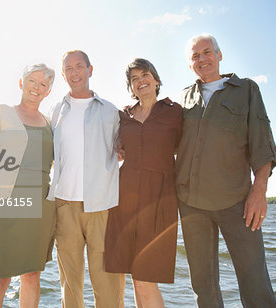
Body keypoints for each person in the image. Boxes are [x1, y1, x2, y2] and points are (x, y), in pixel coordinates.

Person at [176, 33, 276, 308]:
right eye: (195, 56)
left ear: (219, 55)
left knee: (255, 282)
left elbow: (262, 143)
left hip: (237, 201)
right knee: (203, 287)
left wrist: (260, 191)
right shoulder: (183, 98)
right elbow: (166, 141)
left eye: (207, 52)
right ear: (190, 64)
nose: (202, 59)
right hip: (191, 204)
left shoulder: (246, 90)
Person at [0, 63, 56, 308]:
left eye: (43, 84)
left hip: (40, 206)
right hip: (4, 205)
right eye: (32, 81)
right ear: (21, 83)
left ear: (48, 92)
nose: (37, 87)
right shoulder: (2, 112)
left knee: (31, 275)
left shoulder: (50, 122)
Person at [47, 50, 125, 308]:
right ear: (63, 74)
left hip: (101, 206)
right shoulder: (56, 111)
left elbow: (124, 148)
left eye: (79, 66)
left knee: (108, 281)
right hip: (64, 204)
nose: (74, 72)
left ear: (90, 70)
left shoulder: (111, 111)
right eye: (68, 69)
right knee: (70, 282)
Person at [104, 58, 183, 308]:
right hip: (124, 200)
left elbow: (190, 150)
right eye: (134, 79)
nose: (141, 81)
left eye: (145, 75)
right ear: (131, 86)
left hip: (158, 200)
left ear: (156, 80)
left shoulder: (175, 113)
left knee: (147, 277)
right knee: (136, 276)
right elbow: (112, 147)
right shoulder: (123, 116)